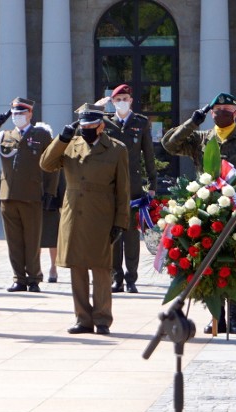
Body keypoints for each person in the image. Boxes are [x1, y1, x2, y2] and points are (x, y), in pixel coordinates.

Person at [161, 92, 236, 335]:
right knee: (211, 265)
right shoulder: (200, 139)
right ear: (211, 114)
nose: (221, 114)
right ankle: (216, 317)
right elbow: (170, 145)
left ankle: (235, 318)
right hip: (207, 213)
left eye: (227, 110)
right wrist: (192, 122)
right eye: (217, 111)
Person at [40, 104, 130, 335]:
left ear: (101, 126)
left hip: (102, 214)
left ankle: (102, 319)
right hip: (74, 213)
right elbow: (46, 164)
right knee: (76, 268)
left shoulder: (117, 149)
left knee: (101, 269)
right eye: (83, 126)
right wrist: (61, 139)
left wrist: (121, 222)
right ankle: (82, 319)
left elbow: (123, 190)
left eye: (91, 126)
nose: (86, 130)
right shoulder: (70, 145)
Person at [0, 97, 56, 293]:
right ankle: (19, 278)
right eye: (14, 114)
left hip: (32, 194)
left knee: (32, 240)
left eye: (21, 113)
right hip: (8, 195)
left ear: (30, 114)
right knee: (13, 241)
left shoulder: (41, 135)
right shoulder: (5, 135)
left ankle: (33, 278)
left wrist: (50, 191)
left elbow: (52, 165)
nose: (17, 117)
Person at [99, 84, 157, 294]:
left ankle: (131, 278)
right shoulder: (105, 122)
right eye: (117, 99)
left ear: (131, 101)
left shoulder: (140, 123)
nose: (121, 102)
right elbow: (81, 129)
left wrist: (152, 184)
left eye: (125, 98)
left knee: (132, 236)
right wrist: (95, 109)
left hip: (133, 187)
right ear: (112, 102)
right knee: (114, 234)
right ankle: (117, 278)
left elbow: (148, 155)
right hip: (111, 186)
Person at [41, 171, 65, 283]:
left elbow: (61, 176)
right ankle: (36, 269)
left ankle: (53, 267)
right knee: (35, 238)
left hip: (53, 198)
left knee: (53, 236)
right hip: (35, 196)